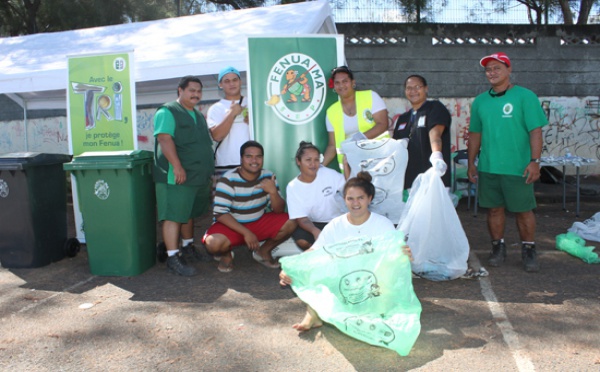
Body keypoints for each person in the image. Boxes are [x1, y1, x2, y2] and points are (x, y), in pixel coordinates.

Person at [280, 172, 409, 331]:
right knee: (313, 264)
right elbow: (314, 251)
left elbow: (395, 256)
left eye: (360, 198)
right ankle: (312, 313)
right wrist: (291, 268)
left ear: (369, 199)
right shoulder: (336, 225)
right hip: (344, 280)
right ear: (344, 200)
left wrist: (403, 255)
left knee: (388, 272)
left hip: (372, 281)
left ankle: (374, 307)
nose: (355, 203)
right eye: (350, 198)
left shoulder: (383, 224)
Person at [468, 52, 547, 273]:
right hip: (489, 167)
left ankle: (529, 249)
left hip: (518, 168)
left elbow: (536, 131)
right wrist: (472, 163)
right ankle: (497, 247)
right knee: (493, 211)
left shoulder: (525, 96)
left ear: (508, 70)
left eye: (497, 68)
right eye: (488, 69)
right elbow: (475, 134)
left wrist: (535, 162)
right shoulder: (481, 101)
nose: (492, 73)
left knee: (523, 211)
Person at [203, 140, 297, 273]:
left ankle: (263, 251)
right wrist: (246, 233)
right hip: (231, 224)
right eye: (249, 156)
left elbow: (279, 210)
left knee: (292, 220)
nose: (254, 160)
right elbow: (220, 214)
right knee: (213, 243)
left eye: (258, 156)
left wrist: (273, 192)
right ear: (241, 158)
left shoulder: (268, 176)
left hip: (257, 221)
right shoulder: (228, 179)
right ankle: (226, 255)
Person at [153, 75, 215, 276]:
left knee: (187, 212)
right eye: (192, 90)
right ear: (180, 91)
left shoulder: (197, 115)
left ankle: (188, 246)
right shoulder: (168, 111)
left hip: (196, 176)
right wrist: (177, 166)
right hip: (177, 175)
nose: (196, 94)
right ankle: (173, 257)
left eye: (199, 91)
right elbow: (164, 138)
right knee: (173, 215)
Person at [322, 66, 389, 171]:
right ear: (334, 86)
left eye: (345, 81)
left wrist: (357, 140)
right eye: (337, 83)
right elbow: (332, 146)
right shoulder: (331, 112)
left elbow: (382, 124)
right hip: (352, 167)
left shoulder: (371, 96)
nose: (341, 85)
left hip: (379, 160)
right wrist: (319, 168)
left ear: (353, 82)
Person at [392, 75, 452, 189]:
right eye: (409, 88)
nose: (413, 91)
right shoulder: (403, 118)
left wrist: (436, 155)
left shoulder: (435, 108)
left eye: (417, 87)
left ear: (426, 89)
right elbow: (395, 146)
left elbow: (435, 134)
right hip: (410, 181)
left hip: (434, 178)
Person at [286, 141, 347, 250]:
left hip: (336, 221)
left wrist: (347, 167)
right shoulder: (293, 187)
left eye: (316, 160)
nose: (313, 164)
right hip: (314, 224)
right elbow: (302, 219)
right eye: (308, 160)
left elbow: (350, 188)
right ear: (298, 161)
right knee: (303, 241)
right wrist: (316, 232)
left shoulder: (329, 174)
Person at [206, 66, 250, 176]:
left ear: (240, 82)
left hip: (252, 163)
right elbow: (217, 136)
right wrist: (231, 114)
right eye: (227, 81)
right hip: (225, 164)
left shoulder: (253, 103)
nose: (232, 84)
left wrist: (253, 122)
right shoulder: (215, 108)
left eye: (235, 80)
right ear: (220, 85)